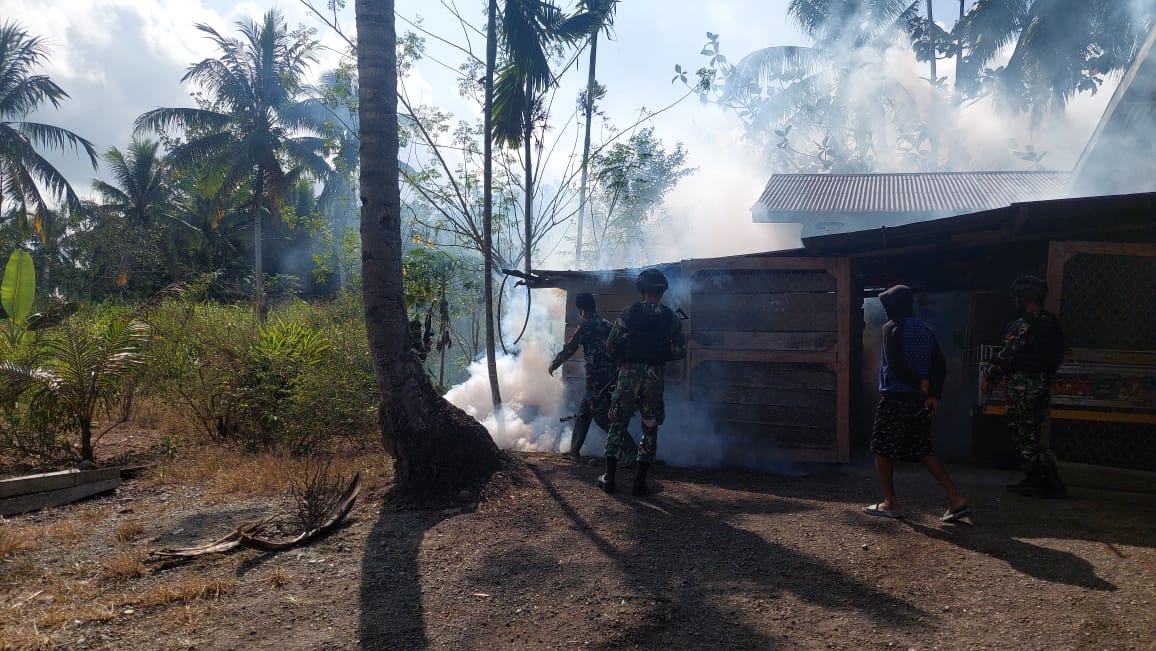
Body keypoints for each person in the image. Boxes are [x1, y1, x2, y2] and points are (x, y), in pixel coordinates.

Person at [864, 285, 970, 522]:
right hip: (919, 401)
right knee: (922, 448)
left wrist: (916, 381)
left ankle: (890, 504)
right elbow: (939, 365)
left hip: (896, 397)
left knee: (881, 448)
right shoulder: (926, 330)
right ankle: (955, 498)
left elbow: (894, 364)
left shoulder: (890, 328)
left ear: (892, 307)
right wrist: (933, 394)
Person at [599, 268, 687, 496]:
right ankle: (639, 483)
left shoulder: (629, 312)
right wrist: (659, 353)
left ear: (642, 290)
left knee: (617, 422)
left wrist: (623, 357)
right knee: (650, 427)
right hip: (654, 377)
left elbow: (609, 345)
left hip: (628, 374)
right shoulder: (671, 318)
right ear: (662, 291)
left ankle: (609, 478)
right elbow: (680, 351)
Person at [981, 275, 1067, 498]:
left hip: (1023, 385)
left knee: (1023, 433)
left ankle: (1037, 480)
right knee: (1033, 431)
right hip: (1042, 384)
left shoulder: (1023, 324)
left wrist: (989, 376)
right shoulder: (1051, 322)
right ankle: (1049, 478)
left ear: (1023, 298)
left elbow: (1005, 355)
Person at [548, 293, 638, 461]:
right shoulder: (607, 325)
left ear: (581, 310)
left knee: (603, 418)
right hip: (608, 378)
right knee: (584, 412)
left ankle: (632, 451)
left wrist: (554, 364)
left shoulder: (586, 327)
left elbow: (570, 348)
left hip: (598, 380)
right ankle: (574, 451)